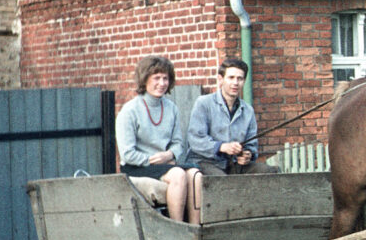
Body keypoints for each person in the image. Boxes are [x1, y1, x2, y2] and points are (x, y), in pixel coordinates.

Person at [115, 55, 201, 224]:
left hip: (164, 164)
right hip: (138, 167)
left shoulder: (171, 108)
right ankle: (178, 228)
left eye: (165, 78)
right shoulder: (130, 111)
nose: (161, 83)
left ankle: (195, 230)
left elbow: (178, 143)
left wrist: (169, 155)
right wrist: (155, 160)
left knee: (195, 174)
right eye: (156, 78)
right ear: (145, 79)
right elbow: (127, 154)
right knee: (178, 174)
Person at [186, 58, 279, 176]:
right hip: (205, 162)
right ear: (221, 79)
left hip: (234, 164)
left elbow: (252, 144)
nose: (235, 83)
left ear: (244, 81)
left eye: (240, 78)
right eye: (231, 78)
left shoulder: (248, 110)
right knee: (222, 181)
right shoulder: (204, 103)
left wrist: (247, 154)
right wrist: (221, 147)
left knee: (270, 172)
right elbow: (195, 139)